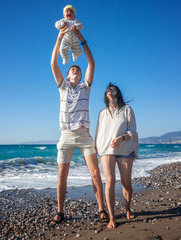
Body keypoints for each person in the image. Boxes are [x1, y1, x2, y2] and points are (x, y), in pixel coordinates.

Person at [50, 19, 108, 225]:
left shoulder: (86, 87)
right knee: (61, 175)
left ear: (81, 75)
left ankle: (102, 209)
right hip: (65, 135)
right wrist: (59, 37)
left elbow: (92, 63)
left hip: (84, 135)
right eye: (72, 69)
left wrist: (82, 39)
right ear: (67, 76)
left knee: (94, 172)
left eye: (77, 69)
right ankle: (60, 211)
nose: (75, 69)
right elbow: (53, 63)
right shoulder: (62, 87)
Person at [95, 83, 139, 229]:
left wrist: (121, 138)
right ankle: (112, 218)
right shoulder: (102, 113)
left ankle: (127, 209)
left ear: (117, 93)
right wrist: (97, 148)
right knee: (110, 182)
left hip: (125, 149)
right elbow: (98, 133)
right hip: (106, 150)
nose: (110, 91)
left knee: (126, 183)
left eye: (113, 89)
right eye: (108, 89)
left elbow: (133, 131)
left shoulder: (127, 109)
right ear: (106, 95)